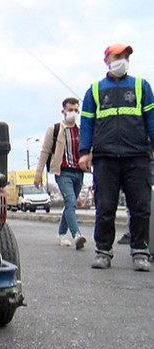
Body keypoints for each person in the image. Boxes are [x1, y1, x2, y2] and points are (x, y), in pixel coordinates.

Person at [78, 43, 154, 271]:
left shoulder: (142, 86)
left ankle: (140, 251)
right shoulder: (94, 90)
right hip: (105, 158)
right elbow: (87, 124)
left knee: (141, 207)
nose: (122, 59)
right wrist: (84, 152)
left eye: (125, 56)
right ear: (107, 60)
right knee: (105, 207)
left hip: (137, 157)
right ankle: (103, 251)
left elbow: (151, 118)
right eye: (118, 56)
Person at [34, 97, 87, 250]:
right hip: (62, 172)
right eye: (70, 110)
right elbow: (45, 151)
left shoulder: (81, 129)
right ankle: (77, 235)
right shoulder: (55, 129)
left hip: (79, 172)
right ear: (63, 111)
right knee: (70, 201)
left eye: (76, 110)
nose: (73, 113)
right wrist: (38, 175)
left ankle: (61, 234)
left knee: (70, 204)